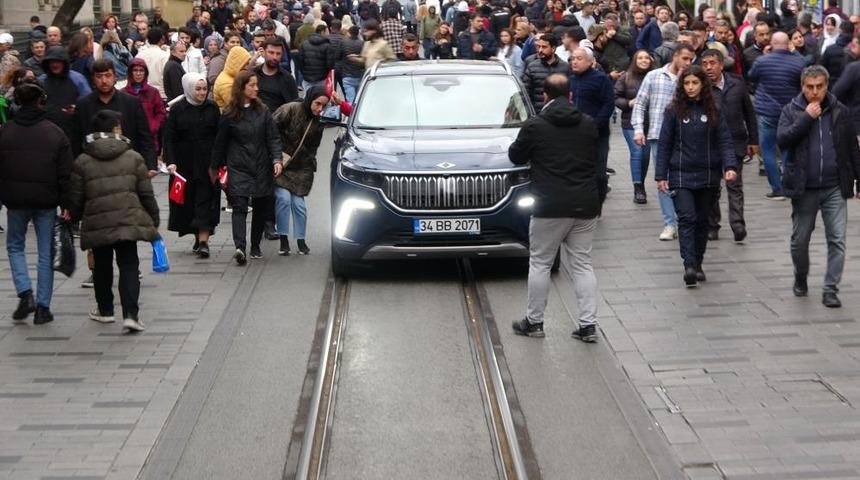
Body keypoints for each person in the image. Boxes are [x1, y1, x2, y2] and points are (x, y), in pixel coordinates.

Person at [508, 73, 601, 342]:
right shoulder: (587, 123)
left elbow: (516, 156)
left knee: (540, 262)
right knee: (582, 264)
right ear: (570, 95)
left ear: (544, 96)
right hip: (585, 204)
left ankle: (534, 322)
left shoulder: (535, 125)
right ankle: (588, 325)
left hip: (550, 205)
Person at [777, 65, 860, 308]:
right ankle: (800, 276)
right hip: (805, 188)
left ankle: (830, 289)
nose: (815, 92)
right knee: (800, 239)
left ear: (826, 86)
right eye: (810, 87)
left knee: (837, 239)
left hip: (835, 186)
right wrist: (806, 118)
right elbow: (783, 140)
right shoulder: (792, 110)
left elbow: (852, 148)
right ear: (802, 87)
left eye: (820, 87)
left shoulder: (840, 111)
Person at [69, 110, 158, 332]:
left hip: (98, 221)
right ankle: (131, 314)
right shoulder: (133, 157)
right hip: (127, 220)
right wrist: (153, 216)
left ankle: (105, 310)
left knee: (101, 266)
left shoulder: (83, 160)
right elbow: (146, 192)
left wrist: (77, 217)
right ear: (116, 129)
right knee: (128, 264)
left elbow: (76, 197)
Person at [655, 65, 737, 288]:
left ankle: (698, 262)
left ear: (703, 85)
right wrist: (660, 175)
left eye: (695, 83)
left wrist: (729, 165)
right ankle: (689, 265)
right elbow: (664, 144)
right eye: (687, 83)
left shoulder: (714, 110)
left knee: (702, 221)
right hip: (680, 174)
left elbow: (725, 140)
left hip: (708, 175)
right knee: (687, 218)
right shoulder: (673, 111)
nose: (690, 87)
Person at [0, 80, 73, 325]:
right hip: (46, 200)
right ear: (41, 101)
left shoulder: (6, 131)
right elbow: (65, 173)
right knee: (45, 252)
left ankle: (24, 292)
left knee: (15, 246)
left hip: (15, 200)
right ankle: (43, 306)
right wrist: (67, 204)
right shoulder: (54, 132)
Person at [210, 70, 283, 264]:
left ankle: (255, 245)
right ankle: (240, 247)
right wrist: (215, 167)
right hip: (239, 165)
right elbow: (220, 143)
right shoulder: (229, 113)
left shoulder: (263, 111)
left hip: (261, 165)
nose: (256, 88)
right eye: (252, 85)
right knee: (240, 206)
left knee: (260, 206)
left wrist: (277, 159)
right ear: (241, 87)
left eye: (256, 85)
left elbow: (273, 137)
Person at [632, 44, 696, 241]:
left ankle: (685, 218)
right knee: (663, 179)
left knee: (685, 177)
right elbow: (641, 102)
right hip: (658, 135)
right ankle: (670, 223)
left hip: (687, 136)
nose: (688, 63)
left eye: (691, 59)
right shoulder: (654, 76)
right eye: (685, 58)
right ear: (675, 56)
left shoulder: (691, 79)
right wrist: (638, 129)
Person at [700, 49, 757, 244]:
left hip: (735, 142)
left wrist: (753, 140)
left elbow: (749, 113)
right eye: (705, 63)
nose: (709, 67)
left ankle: (738, 224)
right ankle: (712, 224)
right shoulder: (700, 87)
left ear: (721, 65)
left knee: (734, 185)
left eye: (712, 63)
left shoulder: (736, 83)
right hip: (710, 144)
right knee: (713, 187)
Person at [165, 73, 221, 258]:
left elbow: (219, 136)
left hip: (207, 164)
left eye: (204, 89)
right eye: (197, 89)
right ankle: (197, 236)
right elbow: (170, 138)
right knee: (188, 202)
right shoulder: (177, 109)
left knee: (206, 200)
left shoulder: (212, 107)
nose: (202, 93)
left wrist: (220, 161)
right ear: (189, 88)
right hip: (184, 164)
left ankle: (204, 241)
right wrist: (171, 161)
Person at [747, 31, 806, 199]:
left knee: (768, 149)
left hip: (766, 112)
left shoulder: (762, 61)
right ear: (788, 44)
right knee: (788, 148)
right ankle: (788, 185)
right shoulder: (798, 62)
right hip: (790, 112)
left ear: (772, 44)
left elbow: (751, 77)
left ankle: (776, 188)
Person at [271, 86, 328, 256]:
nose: (319, 109)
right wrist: (275, 156)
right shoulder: (289, 109)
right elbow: (270, 130)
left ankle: (301, 240)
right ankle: (283, 239)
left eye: (323, 106)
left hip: (300, 166)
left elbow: (313, 150)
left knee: (299, 205)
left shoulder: (318, 123)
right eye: (317, 104)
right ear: (310, 99)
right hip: (281, 163)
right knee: (283, 199)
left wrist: (308, 169)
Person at [76, 59, 157, 173]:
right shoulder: (83, 105)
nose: (104, 81)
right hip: (95, 168)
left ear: (115, 77)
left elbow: (144, 136)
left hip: (127, 166)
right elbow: (77, 138)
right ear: (93, 79)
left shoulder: (131, 103)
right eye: (99, 76)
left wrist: (150, 165)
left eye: (108, 76)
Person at [569, 47, 613, 194]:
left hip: (597, 133)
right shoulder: (570, 80)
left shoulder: (601, 79)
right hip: (574, 133)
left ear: (590, 61)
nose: (574, 62)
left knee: (598, 172)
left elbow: (608, 104)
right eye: (573, 58)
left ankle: (599, 198)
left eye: (579, 59)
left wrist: (595, 124)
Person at [615, 49, 653, 204]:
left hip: (650, 123)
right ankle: (638, 188)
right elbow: (616, 97)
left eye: (646, 58)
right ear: (635, 60)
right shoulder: (626, 77)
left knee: (645, 155)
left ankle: (641, 182)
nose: (644, 60)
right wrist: (629, 103)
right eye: (640, 58)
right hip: (630, 122)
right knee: (637, 152)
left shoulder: (654, 77)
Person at [38, 47, 92, 154]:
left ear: (64, 62)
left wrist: (77, 109)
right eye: (52, 62)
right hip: (47, 135)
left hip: (73, 134)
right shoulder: (41, 81)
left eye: (58, 61)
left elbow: (89, 102)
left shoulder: (77, 79)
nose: (55, 65)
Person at [122, 58, 166, 156]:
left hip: (149, 139)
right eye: (135, 70)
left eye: (141, 70)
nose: (138, 73)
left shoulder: (153, 92)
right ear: (130, 73)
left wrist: (152, 127)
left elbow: (160, 113)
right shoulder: (123, 93)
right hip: (129, 139)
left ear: (145, 73)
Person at [522, 33, 568, 110]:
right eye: (538, 47)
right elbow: (525, 93)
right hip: (538, 113)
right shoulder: (532, 67)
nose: (540, 50)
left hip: (559, 113)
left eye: (544, 47)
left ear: (553, 48)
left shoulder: (565, 67)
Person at [214, 45, 251, 111]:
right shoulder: (226, 84)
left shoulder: (231, 76)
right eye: (246, 63)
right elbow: (237, 106)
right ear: (238, 64)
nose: (248, 67)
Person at [135, 29, 170, 100]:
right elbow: (167, 76)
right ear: (161, 40)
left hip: (143, 93)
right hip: (160, 94)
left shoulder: (139, 55)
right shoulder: (165, 55)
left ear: (147, 39)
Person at [300, 24, 334, 91]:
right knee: (320, 97)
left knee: (308, 97)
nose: (328, 34)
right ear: (322, 32)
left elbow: (300, 61)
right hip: (322, 77)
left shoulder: (304, 44)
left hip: (307, 77)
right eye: (327, 32)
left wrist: (304, 72)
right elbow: (330, 64)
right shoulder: (327, 45)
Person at [340, 26, 364, 103]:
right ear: (358, 33)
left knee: (350, 99)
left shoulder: (343, 42)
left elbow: (338, 56)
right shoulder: (362, 43)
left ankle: (351, 113)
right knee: (360, 98)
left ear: (349, 33)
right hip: (359, 75)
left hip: (347, 75)